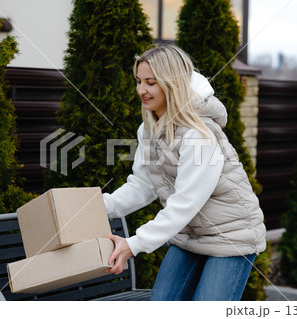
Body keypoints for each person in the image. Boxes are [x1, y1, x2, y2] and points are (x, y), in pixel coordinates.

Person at [103, 45, 266, 301]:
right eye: (139, 81)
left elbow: (186, 202)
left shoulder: (199, 134)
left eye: (150, 82)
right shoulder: (148, 129)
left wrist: (134, 244)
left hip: (231, 235)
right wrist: (101, 206)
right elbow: (143, 185)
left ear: (171, 84)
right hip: (190, 234)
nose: (141, 90)